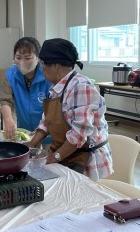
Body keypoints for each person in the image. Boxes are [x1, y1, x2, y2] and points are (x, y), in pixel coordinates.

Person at [26, 38, 113, 180]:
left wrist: (55, 157)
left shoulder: (80, 87)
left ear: (55, 65)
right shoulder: (55, 88)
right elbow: (45, 122)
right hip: (66, 154)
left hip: (86, 160)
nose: (41, 69)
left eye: (43, 64)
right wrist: (30, 145)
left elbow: (79, 134)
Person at [0, 37, 52, 145]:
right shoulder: (11, 75)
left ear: (38, 58)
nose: (21, 62)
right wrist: (8, 120)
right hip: (25, 134)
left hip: (48, 134)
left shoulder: (48, 76)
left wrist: (41, 129)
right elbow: (6, 100)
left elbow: (53, 109)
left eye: (27, 58)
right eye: (18, 57)